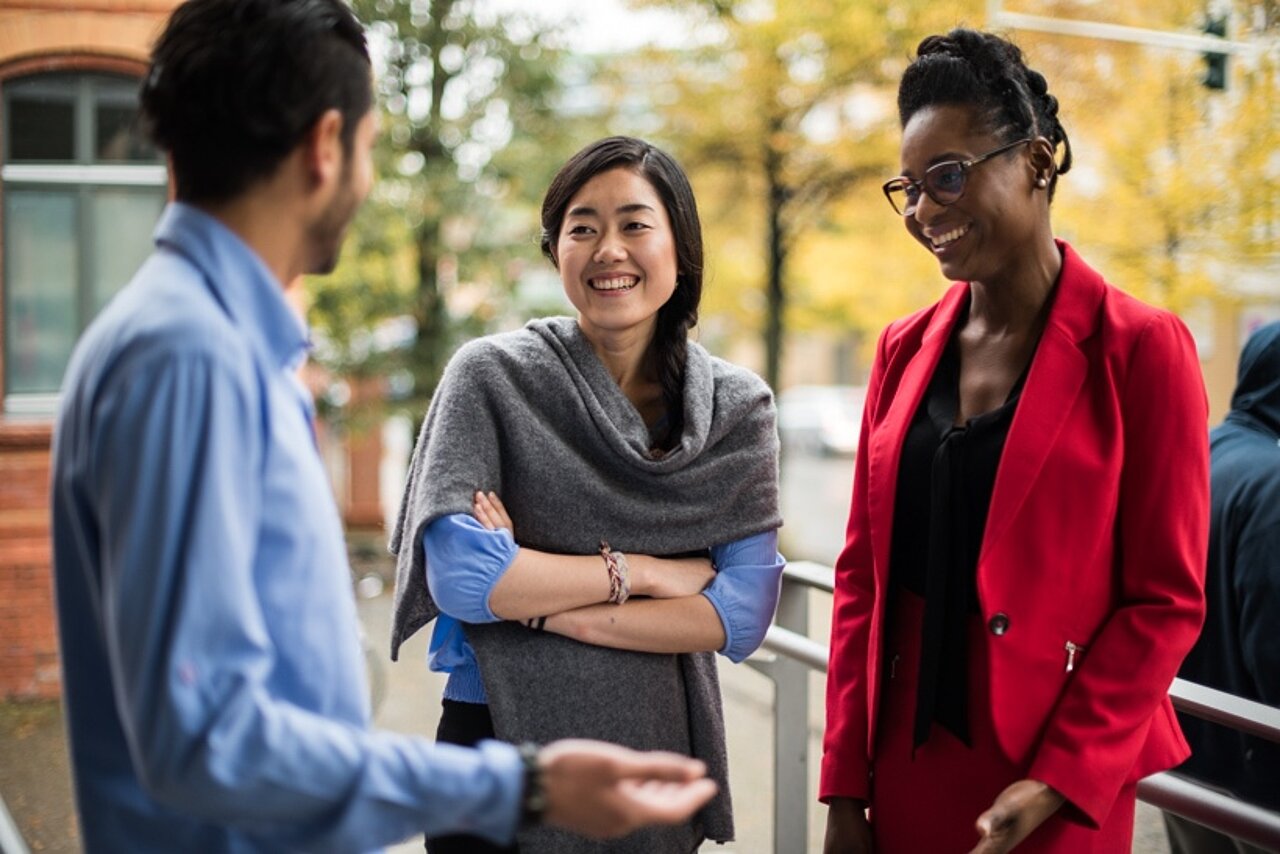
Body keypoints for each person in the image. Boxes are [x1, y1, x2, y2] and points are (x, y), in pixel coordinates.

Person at [48, 2, 717, 851]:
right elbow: (206, 737)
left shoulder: (214, 346)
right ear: (327, 146)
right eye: (370, 146)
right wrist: (526, 786)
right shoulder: (190, 358)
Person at [819, 28, 1210, 854]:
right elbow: (861, 579)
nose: (925, 211)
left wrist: (1059, 780)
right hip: (903, 761)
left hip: (1050, 774)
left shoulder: (1142, 349)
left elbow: (1164, 600)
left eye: (949, 177)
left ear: (1035, 161)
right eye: (910, 189)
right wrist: (845, 790)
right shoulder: (901, 349)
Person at [389, 135, 786, 853]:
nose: (609, 249)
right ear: (556, 251)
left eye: (635, 224)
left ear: (680, 247)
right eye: (583, 228)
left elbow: (743, 611)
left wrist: (538, 606)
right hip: (493, 743)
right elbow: (466, 580)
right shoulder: (490, 377)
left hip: (656, 746)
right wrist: (649, 574)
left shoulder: (736, 408)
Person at [1163, 320, 1280, 854]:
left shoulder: (1202, 452)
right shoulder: (1273, 480)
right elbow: (1273, 643)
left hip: (1184, 752)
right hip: (1257, 775)